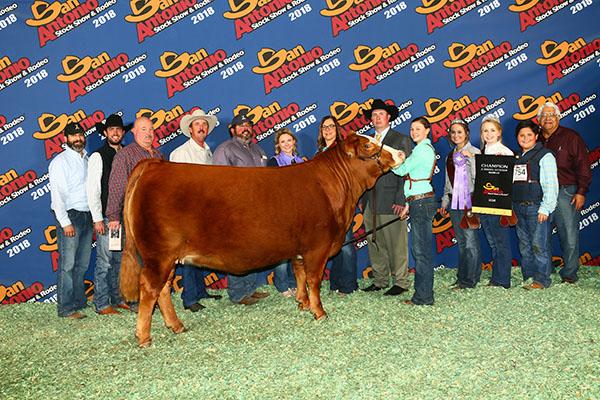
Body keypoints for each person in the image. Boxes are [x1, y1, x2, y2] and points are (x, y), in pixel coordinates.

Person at [106, 117, 164, 312]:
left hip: (156, 218)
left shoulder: (158, 154)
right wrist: (113, 216)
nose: (149, 133)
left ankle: (152, 296)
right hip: (135, 216)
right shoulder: (126, 155)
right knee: (135, 257)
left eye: (151, 130)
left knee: (152, 258)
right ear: (134, 133)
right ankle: (136, 300)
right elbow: (117, 186)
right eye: (144, 129)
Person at [213, 110, 270, 306]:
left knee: (252, 250)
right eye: (241, 126)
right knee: (237, 251)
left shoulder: (258, 150)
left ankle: (250, 288)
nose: (245, 128)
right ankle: (237, 293)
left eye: (248, 125)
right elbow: (219, 181)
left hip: (257, 209)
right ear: (233, 129)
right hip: (235, 209)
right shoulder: (225, 149)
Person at [170, 109, 223, 311]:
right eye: (197, 124)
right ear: (190, 129)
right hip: (189, 211)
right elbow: (175, 187)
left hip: (205, 211)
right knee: (190, 254)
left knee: (201, 252)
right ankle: (189, 298)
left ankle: (200, 291)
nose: (201, 127)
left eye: (204, 124)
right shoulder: (182, 153)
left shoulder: (207, 151)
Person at [360, 99, 413, 296]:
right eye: (373, 115)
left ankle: (401, 281)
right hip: (370, 200)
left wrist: (401, 199)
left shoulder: (400, 140)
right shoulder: (367, 142)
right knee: (375, 242)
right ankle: (380, 279)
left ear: (388, 117)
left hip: (391, 198)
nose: (377, 118)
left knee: (396, 243)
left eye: (380, 114)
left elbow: (406, 172)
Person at [538, 102, 592, 284]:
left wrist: (581, 191)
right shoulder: (533, 138)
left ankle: (569, 274)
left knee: (569, 234)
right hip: (541, 193)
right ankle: (544, 270)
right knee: (541, 234)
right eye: (544, 115)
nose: (547, 118)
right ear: (538, 119)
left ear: (558, 118)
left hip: (565, 191)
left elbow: (583, 165)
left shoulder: (571, 137)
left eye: (551, 115)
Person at [87, 114, 131, 315]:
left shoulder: (126, 154)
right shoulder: (98, 156)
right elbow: (93, 189)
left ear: (123, 132)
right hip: (108, 217)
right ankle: (102, 303)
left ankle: (118, 297)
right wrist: (97, 218)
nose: (115, 132)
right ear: (105, 132)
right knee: (105, 261)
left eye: (118, 129)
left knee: (119, 259)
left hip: (124, 217)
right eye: (111, 129)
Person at [49, 122, 93, 319]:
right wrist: (64, 221)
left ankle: (78, 301)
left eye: (80, 135)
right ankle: (65, 308)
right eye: (73, 136)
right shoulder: (60, 162)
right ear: (65, 139)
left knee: (82, 264)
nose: (78, 139)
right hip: (71, 216)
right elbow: (57, 195)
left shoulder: (87, 159)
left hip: (87, 214)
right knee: (67, 265)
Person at [391, 116, 436, 305]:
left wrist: (395, 159)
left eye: (418, 129)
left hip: (421, 203)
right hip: (419, 201)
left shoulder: (421, 150)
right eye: (412, 129)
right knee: (421, 250)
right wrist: (408, 205)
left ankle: (424, 296)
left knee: (421, 251)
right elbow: (414, 180)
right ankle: (423, 294)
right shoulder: (423, 149)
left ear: (427, 131)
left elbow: (402, 171)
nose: (414, 132)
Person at [513, 120, 559, 289]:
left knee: (539, 245)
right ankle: (529, 275)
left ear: (536, 136)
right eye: (521, 135)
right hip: (518, 207)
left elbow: (551, 185)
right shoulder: (516, 157)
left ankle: (542, 280)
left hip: (536, 207)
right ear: (517, 137)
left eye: (529, 135)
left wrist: (546, 208)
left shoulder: (545, 155)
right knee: (524, 245)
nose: (525, 138)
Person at [315, 116, 358, 295]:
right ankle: (335, 283)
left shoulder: (344, 150)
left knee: (346, 246)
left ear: (337, 129)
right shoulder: (319, 154)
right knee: (334, 247)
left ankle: (348, 285)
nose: (328, 130)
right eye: (325, 127)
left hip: (341, 205)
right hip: (326, 209)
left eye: (331, 126)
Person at [439, 119, 482, 290]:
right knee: (462, 243)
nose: (456, 135)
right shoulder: (450, 155)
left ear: (467, 134)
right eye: (453, 132)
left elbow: (479, 179)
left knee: (470, 241)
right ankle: (463, 277)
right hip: (454, 203)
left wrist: (471, 160)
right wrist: (445, 201)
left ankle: (470, 280)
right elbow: (448, 181)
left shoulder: (475, 153)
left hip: (469, 201)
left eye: (459, 132)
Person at [478, 115, 514, 289]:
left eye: (492, 130)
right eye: (485, 130)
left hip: (497, 204)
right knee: (493, 242)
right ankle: (497, 277)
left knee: (500, 242)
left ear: (499, 132)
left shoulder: (505, 153)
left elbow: (511, 180)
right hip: (484, 203)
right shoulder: (483, 152)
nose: (489, 133)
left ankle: (502, 280)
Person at [267, 128, 302, 297]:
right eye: (283, 142)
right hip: (280, 211)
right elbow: (272, 189)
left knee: (295, 250)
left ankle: (293, 281)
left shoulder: (302, 161)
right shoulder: (273, 162)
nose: (286, 144)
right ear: (278, 146)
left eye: (289, 140)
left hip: (298, 212)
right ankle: (281, 285)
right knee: (281, 250)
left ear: (294, 142)